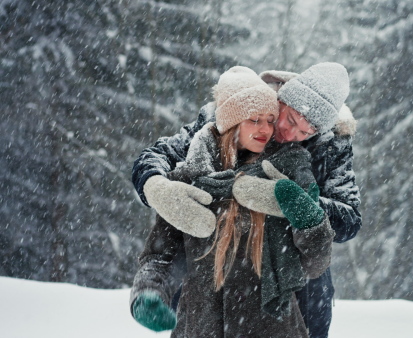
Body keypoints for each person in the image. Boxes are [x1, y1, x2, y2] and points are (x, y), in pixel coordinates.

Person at [132, 62, 361, 337]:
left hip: (291, 278)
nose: (290, 134)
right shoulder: (229, 116)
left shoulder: (327, 145)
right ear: (280, 100)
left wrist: (294, 204)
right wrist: (155, 186)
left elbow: (348, 219)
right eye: (287, 120)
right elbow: (158, 156)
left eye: (305, 132)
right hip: (211, 274)